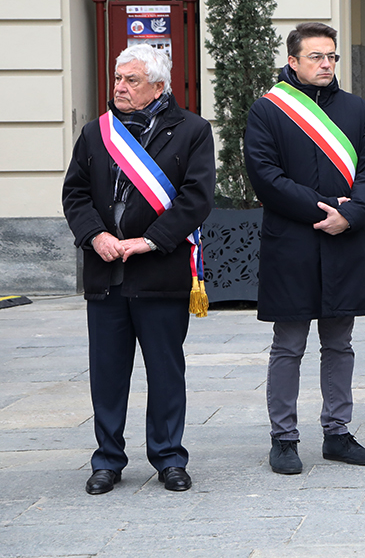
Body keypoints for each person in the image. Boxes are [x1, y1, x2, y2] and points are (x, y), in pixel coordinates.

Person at [63, 44, 215, 494]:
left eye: (131, 81)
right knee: (107, 372)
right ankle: (107, 460)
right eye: (117, 80)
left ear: (159, 86)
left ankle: (168, 457)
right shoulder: (96, 133)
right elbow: (75, 194)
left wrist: (149, 241)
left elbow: (197, 198)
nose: (120, 88)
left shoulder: (192, 131)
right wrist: (97, 236)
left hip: (161, 271)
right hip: (106, 272)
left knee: (166, 371)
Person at [245, 22, 365, 475]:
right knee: (289, 344)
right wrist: (324, 208)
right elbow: (265, 176)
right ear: (293, 61)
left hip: (343, 239)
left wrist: (353, 214)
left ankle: (337, 433)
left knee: (340, 343)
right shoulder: (268, 110)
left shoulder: (355, 109)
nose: (326, 65)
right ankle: (284, 439)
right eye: (316, 57)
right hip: (292, 241)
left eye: (331, 57)